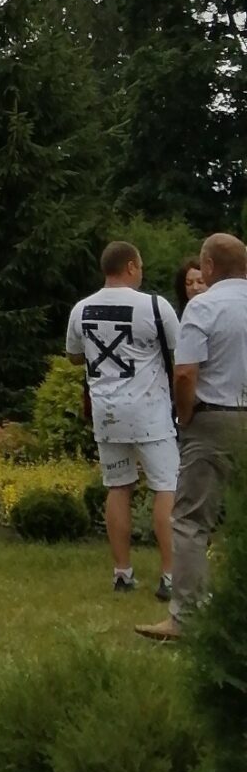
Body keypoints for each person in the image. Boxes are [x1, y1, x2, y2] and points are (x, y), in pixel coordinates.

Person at [141, 232, 247, 642]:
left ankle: (186, 617)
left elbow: (185, 372)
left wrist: (185, 416)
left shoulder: (203, 307)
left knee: (190, 521)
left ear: (208, 266)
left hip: (215, 419)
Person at [64, 240, 176, 600]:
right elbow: (178, 350)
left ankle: (122, 572)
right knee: (165, 487)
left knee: (118, 487)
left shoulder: (81, 309)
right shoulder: (155, 307)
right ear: (130, 266)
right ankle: (171, 575)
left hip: (106, 411)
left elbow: (74, 358)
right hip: (150, 411)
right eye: (139, 266)